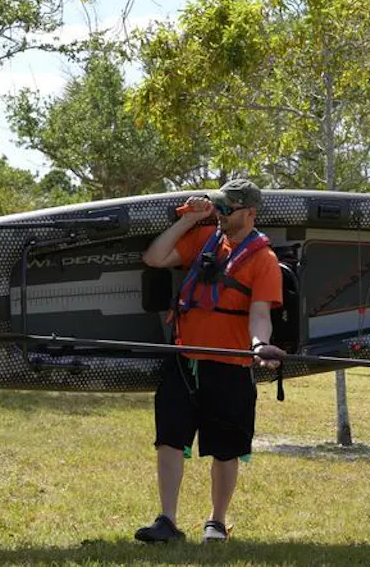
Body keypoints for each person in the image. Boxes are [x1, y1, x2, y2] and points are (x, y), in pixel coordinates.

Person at [135, 179, 285, 543]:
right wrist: (188, 219)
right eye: (218, 206)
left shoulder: (264, 260)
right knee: (169, 439)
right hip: (184, 360)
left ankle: (216, 522)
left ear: (250, 213)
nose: (220, 213)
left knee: (225, 449)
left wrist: (259, 345)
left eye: (227, 209)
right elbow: (154, 258)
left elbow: (260, 315)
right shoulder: (204, 239)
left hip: (230, 366)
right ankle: (167, 521)